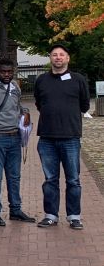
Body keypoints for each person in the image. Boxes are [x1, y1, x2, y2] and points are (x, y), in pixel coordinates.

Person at [34, 44, 90, 230]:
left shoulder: (78, 80)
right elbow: (39, 103)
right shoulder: (41, 80)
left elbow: (84, 105)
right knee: (50, 179)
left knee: (73, 179)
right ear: (50, 58)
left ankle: (74, 216)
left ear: (67, 58)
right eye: (54, 55)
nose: (58, 57)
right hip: (47, 138)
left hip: (70, 137)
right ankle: (51, 215)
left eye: (61, 55)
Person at [0, 59, 35, 227]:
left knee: (14, 176)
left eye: (9, 72)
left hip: (15, 136)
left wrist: (25, 112)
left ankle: (15, 210)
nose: (7, 75)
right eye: (3, 72)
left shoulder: (15, 86)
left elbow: (17, 106)